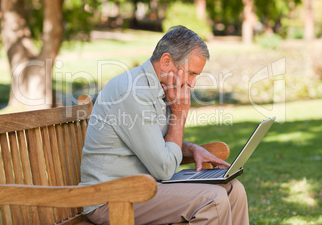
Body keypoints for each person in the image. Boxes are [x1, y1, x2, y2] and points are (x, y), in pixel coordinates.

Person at [80, 25, 249, 224]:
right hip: (110, 198)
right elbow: (165, 169)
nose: (193, 84)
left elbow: (152, 141)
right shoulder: (133, 92)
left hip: (145, 186)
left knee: (234, 190)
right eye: (191, 73)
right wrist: (179, 113)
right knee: (212, 199)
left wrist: (191, 148)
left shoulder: (159, 87)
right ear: (166, 61)